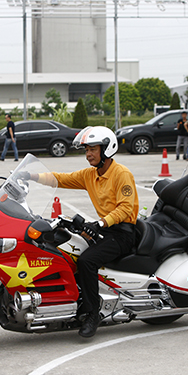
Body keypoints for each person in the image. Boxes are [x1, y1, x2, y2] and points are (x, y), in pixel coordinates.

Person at [28, 126, 138, 338]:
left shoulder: (122, 174)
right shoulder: (90, 175)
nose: (88, 154)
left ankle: (92, 313)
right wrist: (30, 176)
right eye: (86, 150)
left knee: (87, 261)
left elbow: (125, 208)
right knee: (68, 250)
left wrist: (100, 224)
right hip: (104, 228)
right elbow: (61, 179)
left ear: (106, 149)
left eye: (92, 149)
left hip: (122, 233)